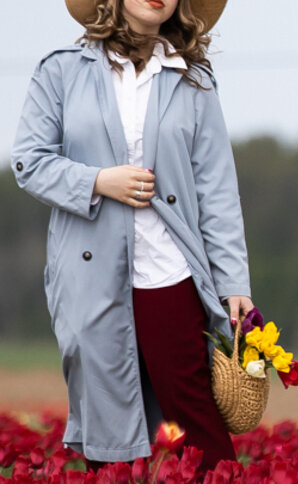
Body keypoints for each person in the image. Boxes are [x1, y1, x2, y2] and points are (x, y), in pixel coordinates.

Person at [11, 0, 252, 473]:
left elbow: (218, 191)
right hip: (88, 272)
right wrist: (99, 181)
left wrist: (234, 283)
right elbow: (29, 162)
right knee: (105, 424)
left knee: (195, 418)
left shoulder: (193, 81)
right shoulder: (60, 71)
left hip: (171, 271)